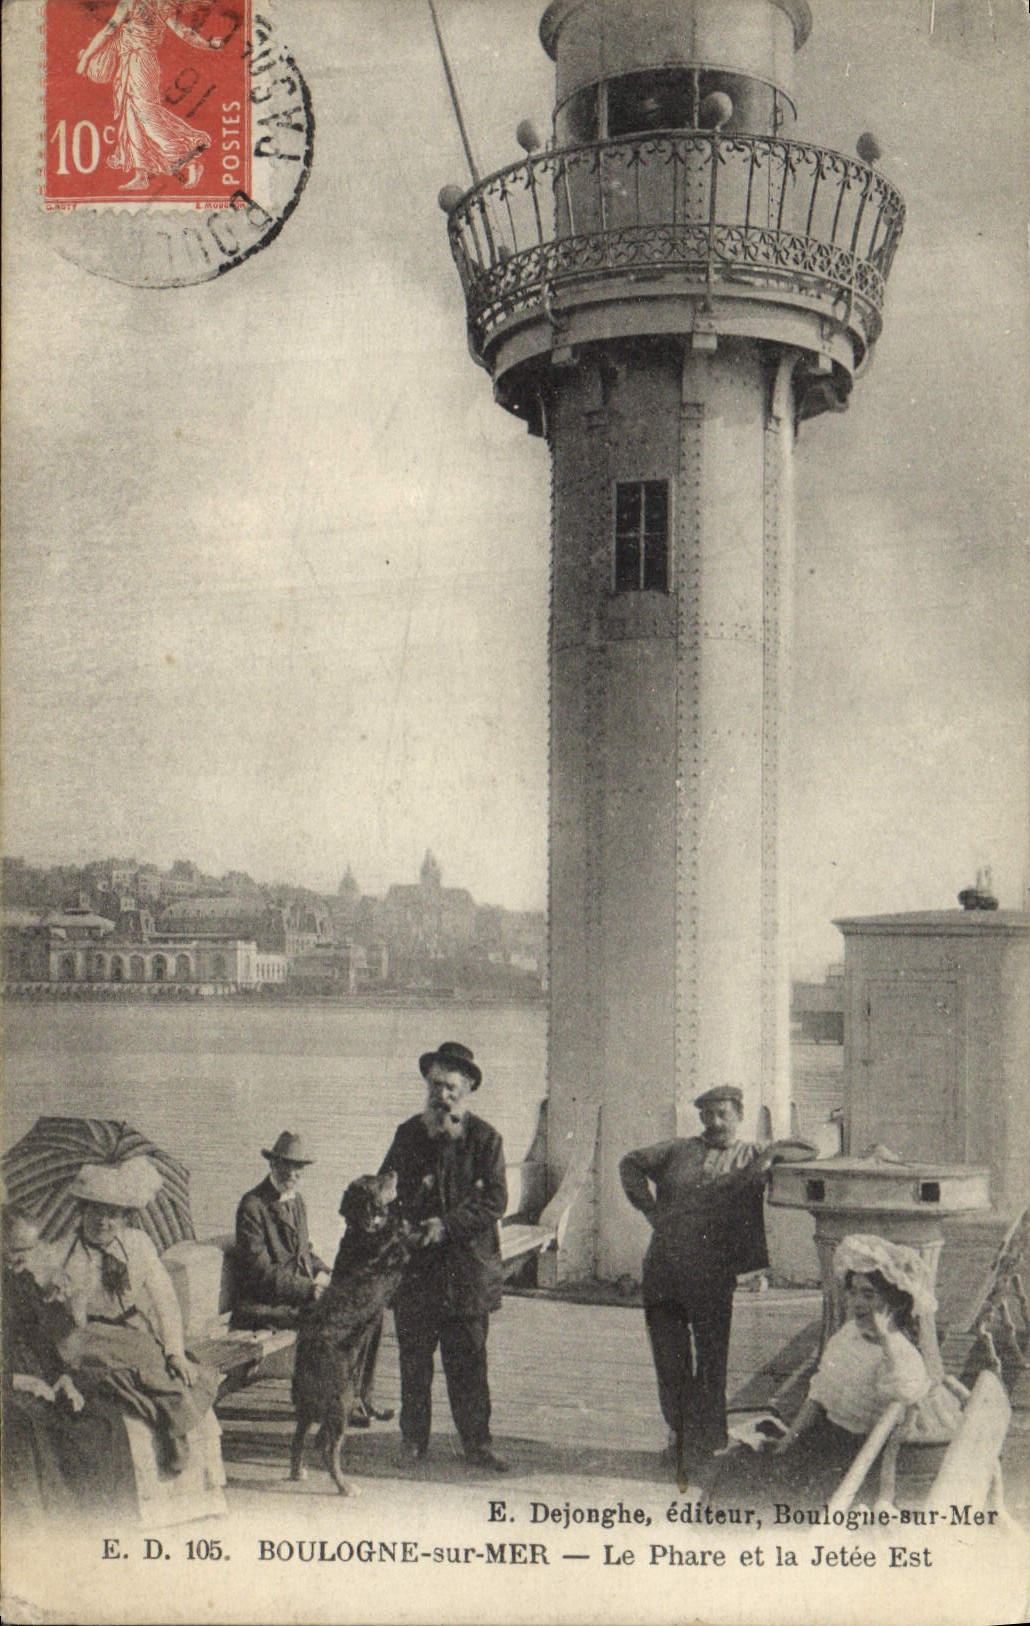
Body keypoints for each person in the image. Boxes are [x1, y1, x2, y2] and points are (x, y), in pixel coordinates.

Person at [620, 1086, 803, 1484]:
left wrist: (770, 1155)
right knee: (670, 1358)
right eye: (708, 1115)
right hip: (665, 1268)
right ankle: (680, 1436)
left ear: (739, 1114)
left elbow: (808, 1150)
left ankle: (709, 1442)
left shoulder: (752, 1153)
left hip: (713, 1272)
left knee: (712, 1359)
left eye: (724, 1114)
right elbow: (630, 1163)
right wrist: (650, 1210)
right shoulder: (676, 1150)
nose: (716, 1123)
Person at [719, 1234, 934, 1506]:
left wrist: (887, 1339)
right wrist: (789, 1441)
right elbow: (819, 1397)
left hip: (858, 1456)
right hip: (824, 1438)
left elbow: (905, 1391)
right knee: (738, 1467)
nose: (857, 1302)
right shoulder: (848, 1336)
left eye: (869, 1294)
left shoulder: (900, 1352)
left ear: (895, 1302)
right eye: (853, 1291)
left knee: (770, 1494)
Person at [379, 1041, 508, 1472]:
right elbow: (386, 1192)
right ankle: (413, 1441)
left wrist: (446, 1225)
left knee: (469, 1364)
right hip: (417, 1274)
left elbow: (495, 1202)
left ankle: (477, 1444)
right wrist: (402, 1221)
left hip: (467, 1273)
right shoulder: (408, 1135)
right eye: (436, 1086)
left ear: (467, 1089)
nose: (443, 1096)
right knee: (414, 1363)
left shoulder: (486, 1139)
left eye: (451, 1088)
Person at [54, 1158, 219, 1475]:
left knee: (163, 1367)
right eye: (96, 1211)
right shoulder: (62, 1254)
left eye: (113, 1214)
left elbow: (165, 1301)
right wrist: (63, 1293)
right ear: (82, 1211)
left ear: (126, 1217)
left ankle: (175, 1424)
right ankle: (172, 1427)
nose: (104, 1222)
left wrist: (174, 1352)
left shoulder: (138, 1245)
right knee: (115, 1374)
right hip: (88, 1336)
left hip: (132, 1331)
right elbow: (60, 1318)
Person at [2, 1206, 135, 1523]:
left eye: (30, 1248)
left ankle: (114, 1525)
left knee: (104, 1419)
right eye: (16, 1249)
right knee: (32, 1426)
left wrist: (63, 1378)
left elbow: (45, 1341)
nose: (24, 1257)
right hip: (9, 1388)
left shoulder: (22, 1281)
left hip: (40, 1380)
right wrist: (18, 1381)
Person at [75, 1, 226, 192]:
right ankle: (141, 175)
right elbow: (185, 33)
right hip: (132, 62)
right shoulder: (162, 4)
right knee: (130, 115)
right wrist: (209, 45)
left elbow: (108, 31)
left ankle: (190, 159)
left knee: (146, 115)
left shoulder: (137, 3)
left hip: (139, 63)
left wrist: (86, 59)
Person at [230, 1132, 331, 1331]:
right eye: (287, 1165)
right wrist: (308, 1289)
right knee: (333, 1321)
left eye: (298, 1166)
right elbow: (260, 1273)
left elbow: (304, 1253)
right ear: (273, 1164)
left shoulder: (297, 1201)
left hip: (294, 1298)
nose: (293, 1173)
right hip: (265, 1305)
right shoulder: (252, 1205)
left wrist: (325, 1272)